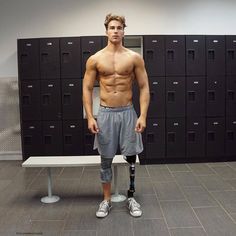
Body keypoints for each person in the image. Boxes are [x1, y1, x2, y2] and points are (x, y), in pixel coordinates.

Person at [82, 13, 150, 218]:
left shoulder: (133, 57)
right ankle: (106, 200)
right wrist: (91, 116)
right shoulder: (95, 59)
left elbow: (144, 86)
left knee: (131, 157)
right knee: (105, 159)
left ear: (123, 31)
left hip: (128, 112)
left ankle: (130, 196)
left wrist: (143, 115)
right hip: (105, 114)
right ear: (106, 31)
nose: (115, 31)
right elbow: (86, 88)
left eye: (119, 28)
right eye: (112, 28)